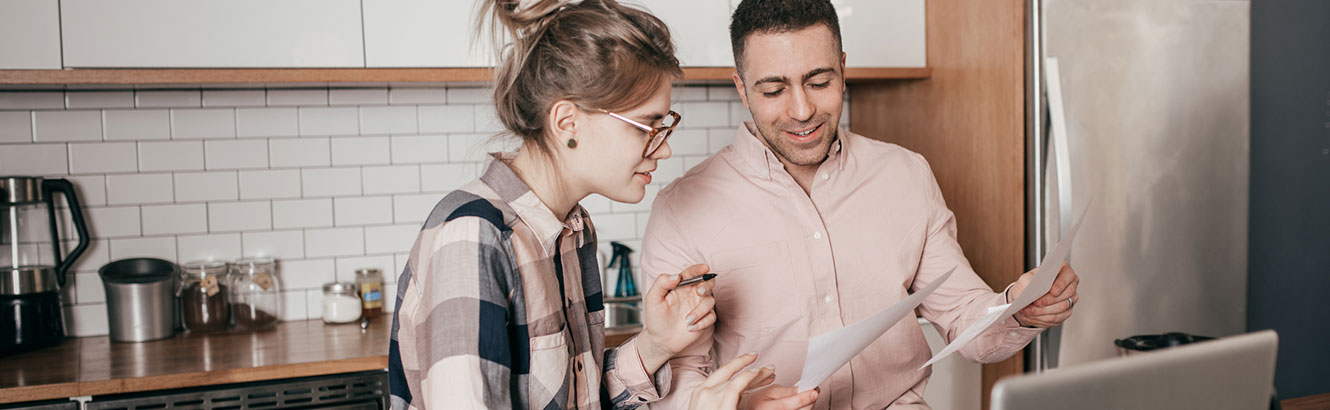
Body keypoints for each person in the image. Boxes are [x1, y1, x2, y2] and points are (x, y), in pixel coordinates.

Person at [641, 0, 1081, 409]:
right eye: (774, 90)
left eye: (819, 82)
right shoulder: (683, 209)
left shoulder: (905, 174)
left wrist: (1017, 310)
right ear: (742, 88)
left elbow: (968, 325)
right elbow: (680, 381)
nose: (801, 109)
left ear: (843, 70)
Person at [386, 0, 792, 409]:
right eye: (647, 126)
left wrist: (657, 345)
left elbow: (577, 398)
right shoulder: (473, 238)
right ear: (567, 123)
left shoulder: (573, 230)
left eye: (664, 125)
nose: (663, 148)